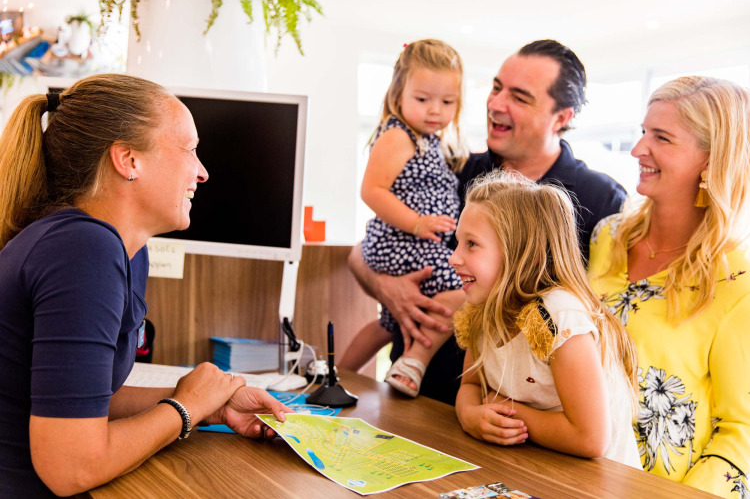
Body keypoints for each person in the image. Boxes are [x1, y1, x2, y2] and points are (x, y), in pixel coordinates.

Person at [0, 74, 291, 498]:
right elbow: (71, 467)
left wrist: (212, 403)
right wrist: (185, 408)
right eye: (189, 150)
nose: (203, 172)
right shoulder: (83, 250)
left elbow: (82, 398)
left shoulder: (122, 250)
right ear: (128, 160)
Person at [348, 40, 626, 404]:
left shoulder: (600, 200)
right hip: (416, 399)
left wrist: (471, 300)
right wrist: (386, 287)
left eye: (519, 97)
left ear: (562, 117)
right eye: (496, 88)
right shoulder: (452, 170)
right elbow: (361, 252)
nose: (495, 104)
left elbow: (596, 317)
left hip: (515, 422)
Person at [588, 76, 750, 496]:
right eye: (643, 132)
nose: (639, 149)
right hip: (568, 473)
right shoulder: (607, 237)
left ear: (712, 160)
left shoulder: (738, 282)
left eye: (662, 137)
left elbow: (742, 433)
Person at [451, 172, 640, 466]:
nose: (454, 257)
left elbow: (590, 438)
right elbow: (472, 386)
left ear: (520, 253)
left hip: (600, 484)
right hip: (540, 468)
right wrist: (470, 415)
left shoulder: (555, 315)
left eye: (471, 244)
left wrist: (510, 410)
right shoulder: (484, 309)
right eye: (458, 242)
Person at [338, 39, 466, 397]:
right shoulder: (399, 135)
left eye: (447, 102)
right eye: (422, 99)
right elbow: (372, 190)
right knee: (460, 290)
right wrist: (417, 223)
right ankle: (414, 362)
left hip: (412, 241)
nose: (434, 111)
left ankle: (339, 375)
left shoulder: (429, 139)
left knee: (388, 322)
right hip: (402, 241)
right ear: (399, 92)